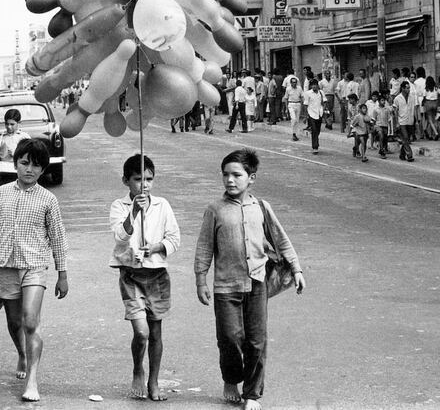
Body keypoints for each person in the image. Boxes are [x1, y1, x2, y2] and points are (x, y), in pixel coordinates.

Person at [194, 148, 305, 410]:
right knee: (229, 338)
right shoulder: (215, 210)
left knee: (257, 340)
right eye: (225, 175)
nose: (230, 180)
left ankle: (252, 393)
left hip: (257, 284)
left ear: (251, 178)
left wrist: (297, 269)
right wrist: (200, 280)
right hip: (225, 286)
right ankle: (231, 379)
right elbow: (204, 248)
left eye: (237, 175)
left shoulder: (262, 208)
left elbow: (281, 239)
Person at [0, 139, 68, 403]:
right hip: (5, 265)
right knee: (14, 322)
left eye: (36, 165)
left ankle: (32, 380)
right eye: (24, 163)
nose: (29, 169)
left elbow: (58, 238)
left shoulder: (48, 199)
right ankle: (22, 353)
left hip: (35, 266)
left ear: (42, 170)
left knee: (30, 320)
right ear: (15, 163)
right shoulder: (1, 194)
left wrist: (62, 274)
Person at [109, 154, 180, 401]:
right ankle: (138, 369)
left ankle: (154, 379)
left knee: (156, 332)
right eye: (138, 179)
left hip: (157, 276)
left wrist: (158, 247)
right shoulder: (119, 206)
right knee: (142, 332)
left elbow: (174, 238)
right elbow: (120, 235)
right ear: (126, 181)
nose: (145, 185)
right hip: (131, 275)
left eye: (149, 179)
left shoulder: (162, 205)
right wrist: (134, 214)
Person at [393, 81, 415, 162]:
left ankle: (402, 154)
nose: (409, 89)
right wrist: (397, 122)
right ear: (402, 88)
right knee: (405, 137)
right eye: (407, 88)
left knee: (407, 139)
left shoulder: (412, 97)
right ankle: (409, 155)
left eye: (409, 88)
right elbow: (395, 111)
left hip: (410, 120)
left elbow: (414, 108)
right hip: (401, 121)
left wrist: (415, 119)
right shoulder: (397, 98)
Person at [304, 79, 326, 154]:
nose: (314, 86)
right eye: (312, 85)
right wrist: (305, 116)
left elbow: (324, 102)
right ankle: (315, 146)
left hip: (319, 113)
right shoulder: (308, 93)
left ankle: (316, 141)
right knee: (314, 130)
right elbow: (306, 104)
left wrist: (324, 110)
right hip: (311, 113)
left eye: (315, 84)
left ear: (317, 85)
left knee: (318, 130)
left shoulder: (321, 92)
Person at [283, 76, 304, 141]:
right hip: (291, 104)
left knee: (297, 120)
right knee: (293, 119)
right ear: (291, 83)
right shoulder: (288, 89)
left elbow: (302, 96)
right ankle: (293, 133)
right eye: (293, 82)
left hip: (298, 104)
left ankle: (295, 134)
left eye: (295, 82)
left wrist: (304, 103)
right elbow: (286, 98)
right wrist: (286, 108)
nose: (294, 84)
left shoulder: (299, 88)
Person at [422, 76, 440, 140]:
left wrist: (423, 104)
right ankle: (431, 135)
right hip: (435, 103)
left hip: (428, 103)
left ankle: (435, 133)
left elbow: (424, 98)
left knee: (429, 120)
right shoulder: (436, 88)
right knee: (434, 119)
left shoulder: (426, 89)